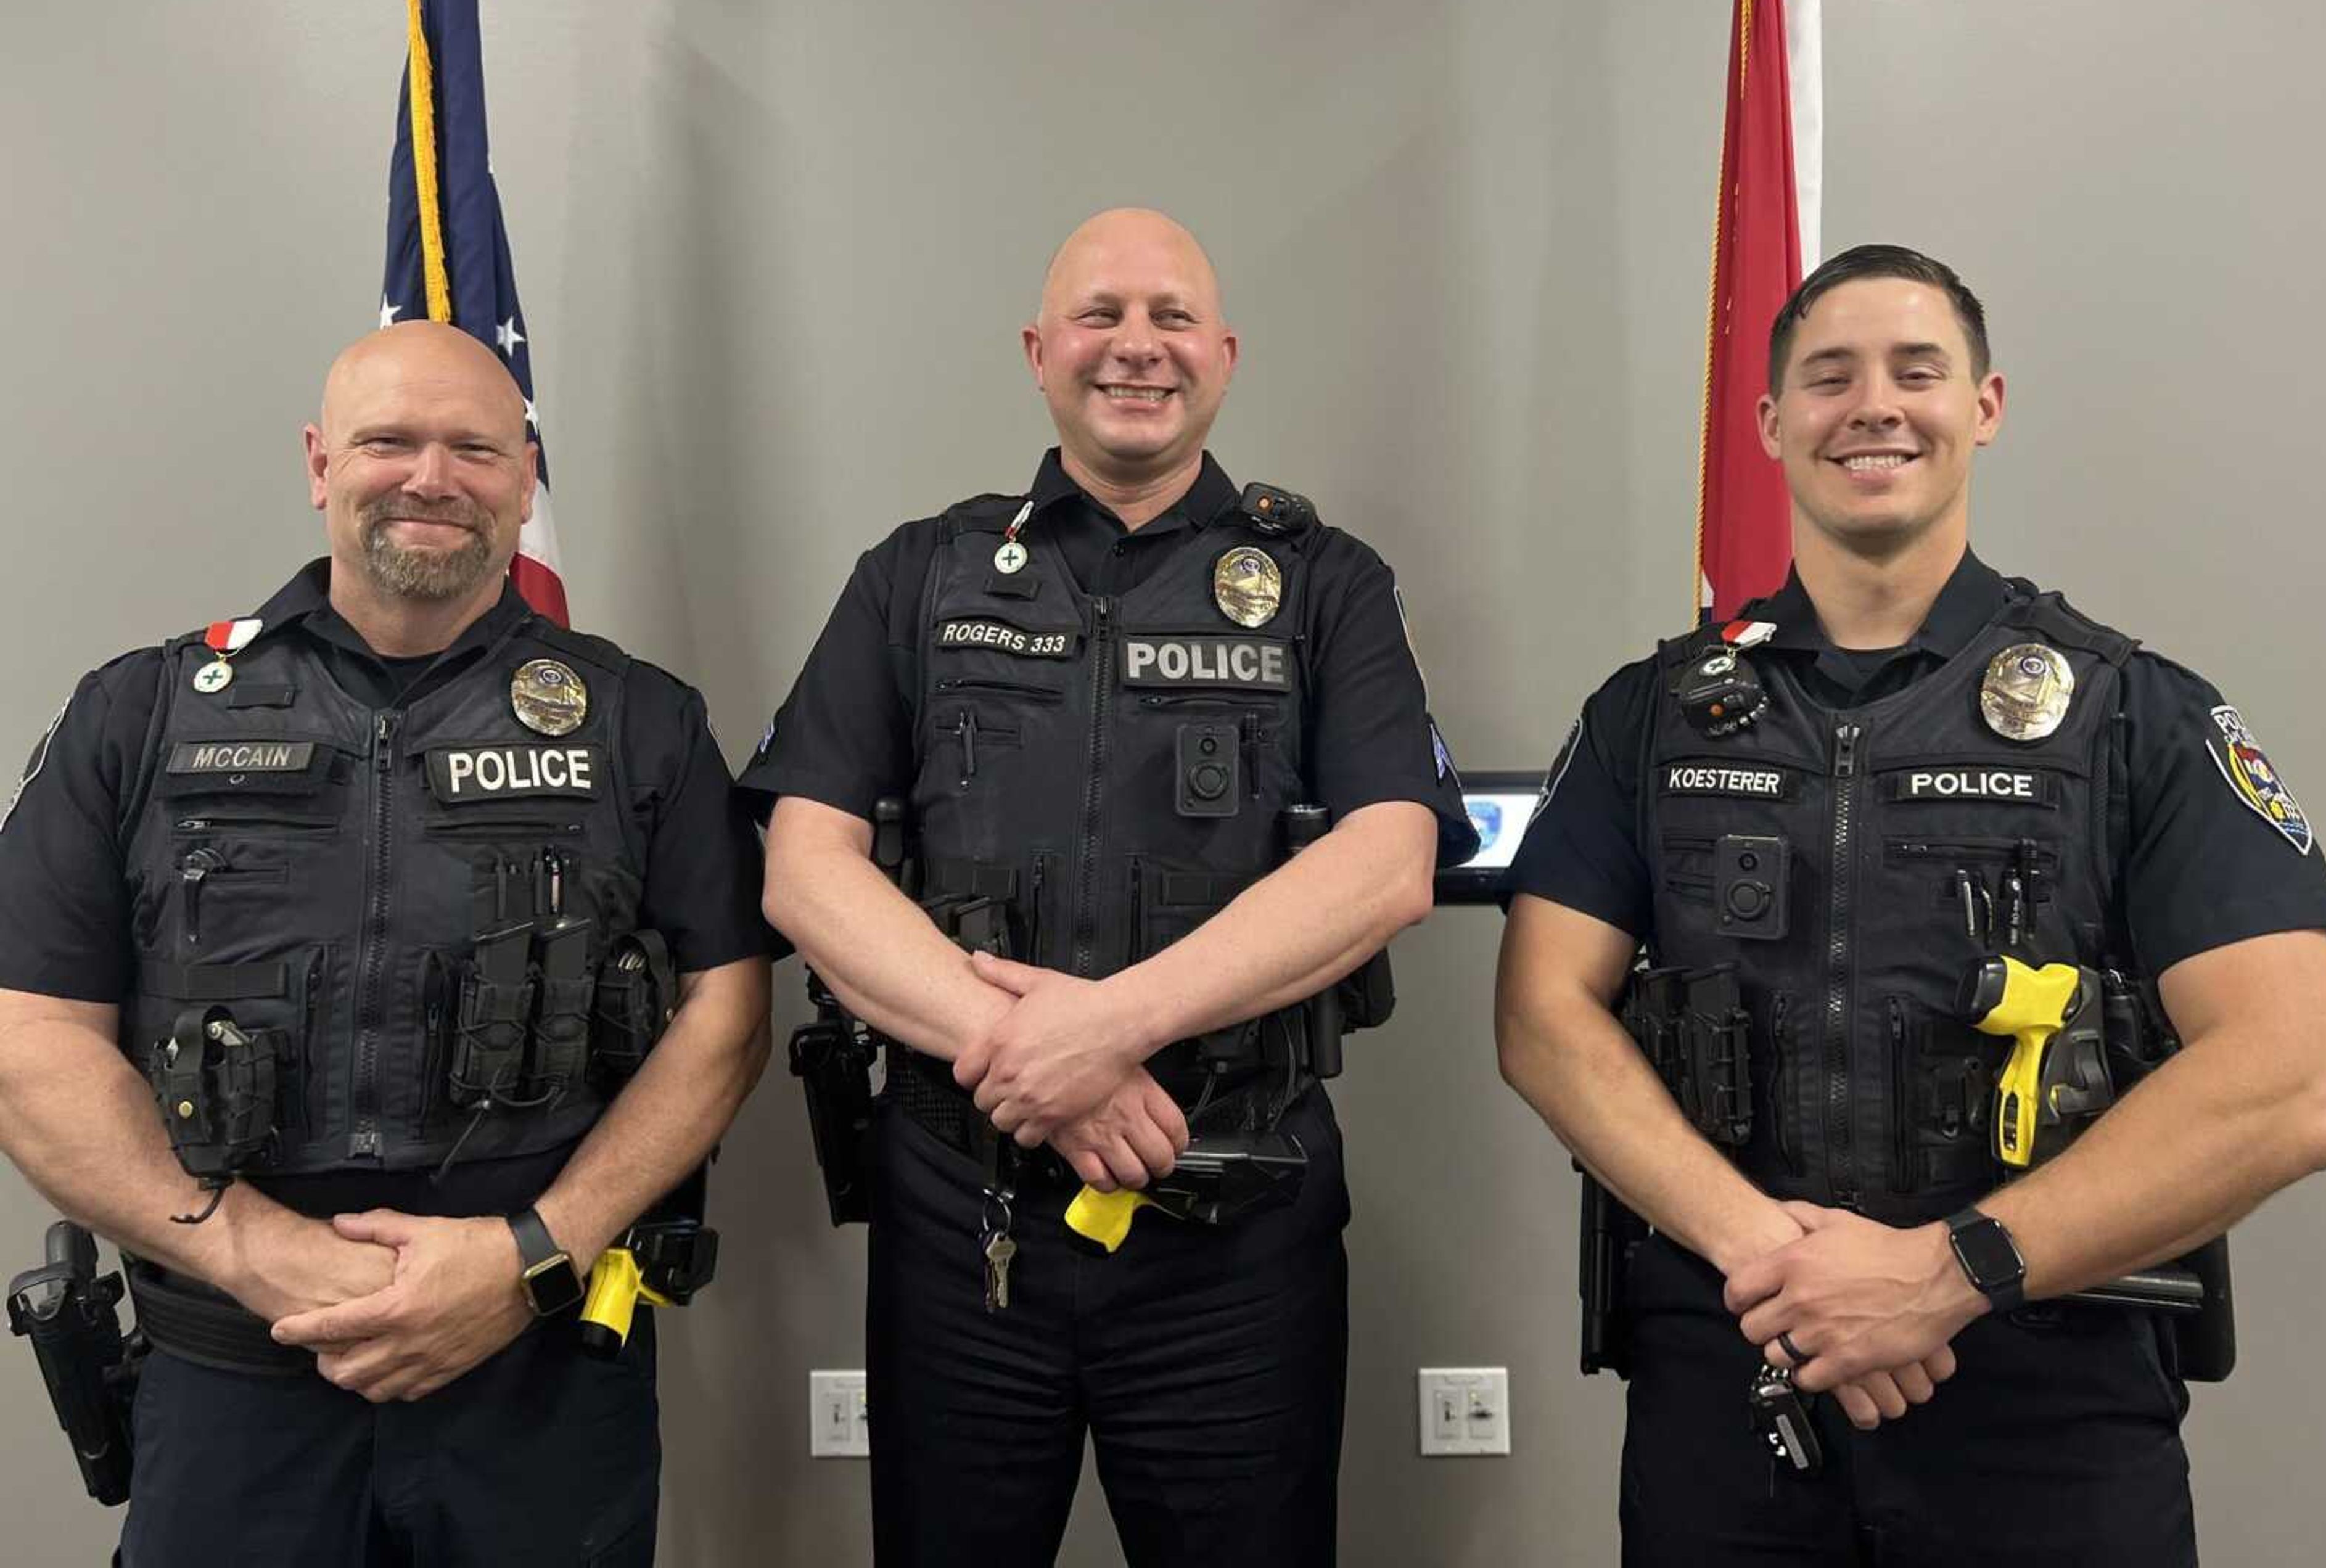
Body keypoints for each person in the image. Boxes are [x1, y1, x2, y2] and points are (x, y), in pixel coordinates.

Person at [1495, 244, 2326, 1566]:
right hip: (1739, 1375)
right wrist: (1781, 1267)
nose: (1875, 406)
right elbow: (1545, 1016)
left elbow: (2291, 1081)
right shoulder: (1648, 718)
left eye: (1918, 371)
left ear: (1986, 406)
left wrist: (1941, 1277)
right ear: (1774, 425)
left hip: (2040, 1395)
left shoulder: (2135, 712)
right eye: (1829, 379)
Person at [745, 207, 1476, 1567]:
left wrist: (1112, 1025)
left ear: (1226, 355)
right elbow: (804, 866)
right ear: (1038, 351)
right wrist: (1028, 1054)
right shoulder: (920, 574)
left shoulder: (1326, 585)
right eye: (1099, 315)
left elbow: (1390, 862)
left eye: (1172, 317)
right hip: (963, 1217)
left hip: (1234, 1222)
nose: (1136, 346)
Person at [0, 321, 776, 1566]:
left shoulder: (640, 722)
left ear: (526, 475)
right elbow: (29, 1036)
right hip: (234, 1380)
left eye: (473, 447)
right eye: (389, 441)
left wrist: (533, 1253)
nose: (431, 476)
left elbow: (730, 1013)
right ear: (319, 463)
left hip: (539, 1378)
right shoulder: (139, 714)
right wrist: (262, 1257)